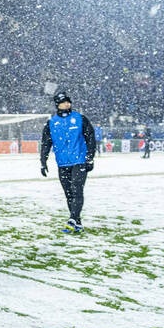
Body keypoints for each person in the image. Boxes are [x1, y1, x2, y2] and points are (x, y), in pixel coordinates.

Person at [40, 92, 96, 234]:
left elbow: (90, 138)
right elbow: (46, 143)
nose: (67, 104)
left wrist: (90, 157)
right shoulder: (51, 123)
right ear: (57, 104)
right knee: (69, 193)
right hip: (62, 163)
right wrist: (43, 161)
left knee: (77, 189)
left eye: (68, 101)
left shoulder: (80, 119)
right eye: (63, 102)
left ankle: (72, 219)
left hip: (79, 161)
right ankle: (78, 223)